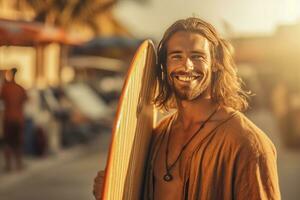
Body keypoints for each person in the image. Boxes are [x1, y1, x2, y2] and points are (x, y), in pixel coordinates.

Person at [94, 17, 281, 199]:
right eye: (176, 56)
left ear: (215, 63)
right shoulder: (158, 135)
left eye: (197, 56)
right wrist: (112, 192)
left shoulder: (248, 143)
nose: (186, 66)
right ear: (164, 67)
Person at [0, 68, 27, 171]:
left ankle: (9, 166)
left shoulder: (5, 88)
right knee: (18, 142)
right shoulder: (19, 88)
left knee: (8, 142)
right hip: (18, 119)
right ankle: (18, 165)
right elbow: (25, 100)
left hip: (8, 119)